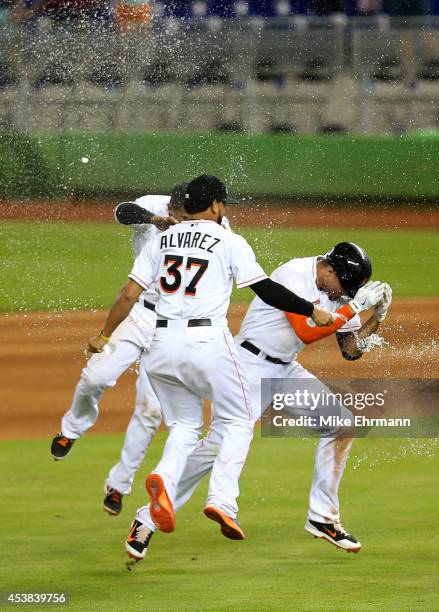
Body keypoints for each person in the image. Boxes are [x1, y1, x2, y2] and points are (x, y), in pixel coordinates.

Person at [80, 174, 335, 563]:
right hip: (206, 345)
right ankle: (222, 501)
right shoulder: (229, 240)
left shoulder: (162, 238)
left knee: (184, 426)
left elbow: (129, 293)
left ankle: (163, 483)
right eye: (224, 203)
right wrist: (310, 308)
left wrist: (103, 335)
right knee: (239, 418)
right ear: (215, 205)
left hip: (160, 346)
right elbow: (265, 289)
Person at [125, 240, 391, 563]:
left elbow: (350, 350)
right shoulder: (294, 274)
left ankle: (323, 517)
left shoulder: (341, 294)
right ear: (329, 269)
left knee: (341, 424)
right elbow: (306, 331)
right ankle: (146, 520)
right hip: (247, 365)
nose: (343, 295)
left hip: (285, 370)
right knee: (215, 446)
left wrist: (376, 317)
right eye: (343, 287)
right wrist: (353, 306)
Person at [50, 184, 185, 516]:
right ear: (170, 206)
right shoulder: (155, 207)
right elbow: (122, 212)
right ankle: (73, 428)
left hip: (173, 329)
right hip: (139, 314)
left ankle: (118, 485)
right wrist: (156, 219)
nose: (181, 220)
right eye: (176, 214)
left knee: (151, 412)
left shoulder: (212, 228)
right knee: (96, 377)